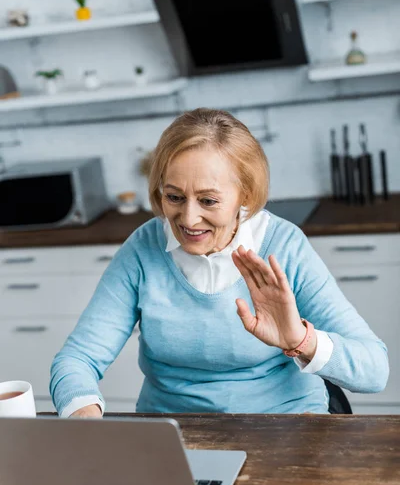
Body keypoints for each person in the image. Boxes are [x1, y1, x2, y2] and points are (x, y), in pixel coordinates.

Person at [50, 108, 389, 418]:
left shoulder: (284, 246)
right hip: (173, 434)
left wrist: (299, 339)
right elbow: (77, 359)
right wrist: (86, 423)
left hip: (287, 426)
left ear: (246, 194)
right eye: (174, 197)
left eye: (208, 200)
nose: (188, 218)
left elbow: (374, 370)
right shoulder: (143, 249)